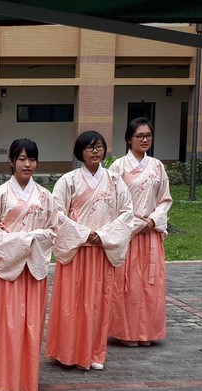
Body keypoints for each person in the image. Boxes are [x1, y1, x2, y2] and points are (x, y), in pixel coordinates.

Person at [45, 131, 133, 370]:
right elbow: (56, 213)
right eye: (89, 147)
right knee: (71, 301)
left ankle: (95, 352)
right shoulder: (68, 181)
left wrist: (102, 235)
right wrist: (85, 234)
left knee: (99, 302)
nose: (95, 151)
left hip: (102, 250)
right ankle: (67, 350)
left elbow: (127, 212)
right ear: (80, 152)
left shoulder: (115, 180)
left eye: (99, 147)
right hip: (76, 250)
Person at [0, 139, 57, 391]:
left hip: (32, 268)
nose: (27, 164)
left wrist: (33, 240)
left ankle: (24, 378)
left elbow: (54, 230)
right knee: (3, 323)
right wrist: (22, 240)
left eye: (32, 159)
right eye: (21, 159)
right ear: (11, 161)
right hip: (6, 268)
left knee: (29, 324)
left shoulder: (45, 196)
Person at [108, 117, 173, 346]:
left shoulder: (157, 166)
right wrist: (136, 223)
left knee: (150, 284)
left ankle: (147, 332)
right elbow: (112, 202)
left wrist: (154, 220)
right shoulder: (117, 167)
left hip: (151, 234)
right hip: (129, 233)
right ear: (129, 138)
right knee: (128, 284)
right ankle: (127, 332)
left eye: (148, 136)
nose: (144, 139)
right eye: (140, 136)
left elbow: (164, 199)